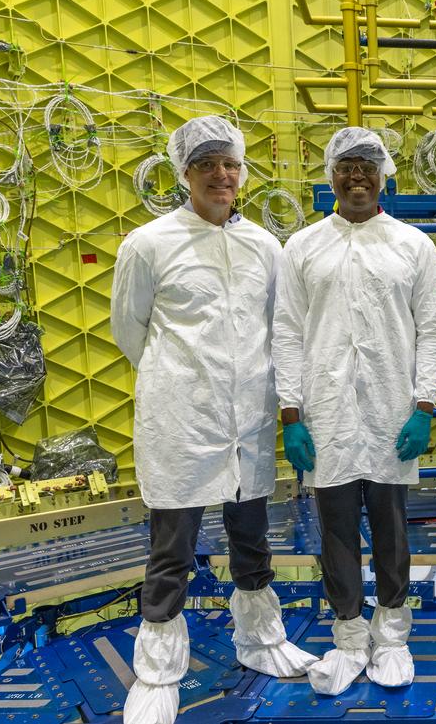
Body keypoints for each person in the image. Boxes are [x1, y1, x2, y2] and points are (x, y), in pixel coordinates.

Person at [111, 116, 316, 724]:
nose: (221, 176)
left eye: (230, 164)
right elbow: (132, 333)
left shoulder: (265, 246)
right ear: (185, 174)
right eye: (207, 165)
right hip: (182, 419)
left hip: (247, 418)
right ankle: (157, 672)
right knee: (172, 547)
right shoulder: (148, 245)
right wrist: (188, 384)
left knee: (251, 537)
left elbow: (278, 328)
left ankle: (260, 640)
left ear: (242, 171)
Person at [272, 127, 436, 695]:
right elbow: (287, 332)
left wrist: (424, 406)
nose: (356, 177)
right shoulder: (301, 247)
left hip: (392, 413)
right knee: (336, 532)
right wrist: (291, 414)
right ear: (330, 176)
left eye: (366, 167)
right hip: (325, 417)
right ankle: (349, 635)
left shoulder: (412, 246)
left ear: (383, 176)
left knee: (393, 530)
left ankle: (392, 634)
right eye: (346, 167)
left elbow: (432, 330)